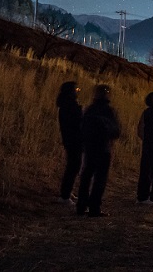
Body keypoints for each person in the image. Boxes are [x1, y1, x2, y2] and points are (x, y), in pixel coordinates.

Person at [76, 84, 121, 217]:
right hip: (103, 148)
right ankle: (94, 207)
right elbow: (116, 131)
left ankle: (81, 206)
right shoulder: (109, 111)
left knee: (87, 176)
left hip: (90, 148)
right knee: (100, 179)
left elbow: (82, 129)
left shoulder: (90, 110)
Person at [55, 81, 83, 204]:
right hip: (73, 139)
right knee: (73, 166)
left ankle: (67, 191)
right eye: (76, 89)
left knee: (73, 166)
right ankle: (65, 196)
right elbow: (76, 121)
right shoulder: (69, 106)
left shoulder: (67, 105)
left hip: (71, 139)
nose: (78, 92)